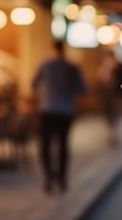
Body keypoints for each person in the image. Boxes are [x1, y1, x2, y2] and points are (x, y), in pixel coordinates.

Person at [31, 40, 87, 194]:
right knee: (62, 145)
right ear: (64, 50)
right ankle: (62, 179)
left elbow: (33, 83)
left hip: (47, 109)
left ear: (52, 49)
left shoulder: (44, 64)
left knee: (45, 146)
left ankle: (48, 177)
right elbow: (82, 88)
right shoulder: (72, 67)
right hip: (65, 111)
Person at [96, 48, 122, 145]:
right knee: (110, 116)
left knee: (117, 116)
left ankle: (115, 134)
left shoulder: (121, 67)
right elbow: (101, 79)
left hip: (118, 95)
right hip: (108, 96)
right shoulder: (107, 68)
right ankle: (112, 134)